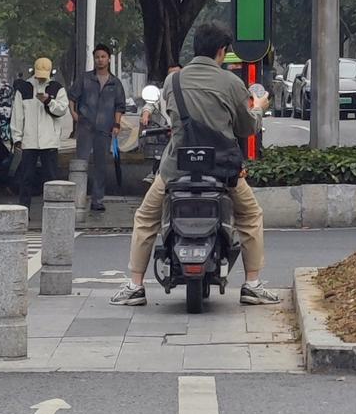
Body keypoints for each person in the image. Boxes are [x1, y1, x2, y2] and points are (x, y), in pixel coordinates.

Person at [112, 19, 279, 306]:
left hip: (176, 168)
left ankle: (135, 286)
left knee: (146, 218)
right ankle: (252, 284)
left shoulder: (172, 81)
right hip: (222, 171)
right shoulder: (232, 83)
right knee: (251, 216)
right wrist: (260, 109)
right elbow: (246, 128)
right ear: (221, 52)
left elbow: (169, 115)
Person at [69, 43, 127, 213]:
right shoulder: (85, 78)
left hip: (105, 128)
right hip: (86, 126)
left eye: (103, 57)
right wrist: (73, 114)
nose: (100, 60)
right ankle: (77, 198)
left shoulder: (115, 83)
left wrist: (116, 124)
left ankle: (97, 200)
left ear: (108, 59)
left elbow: (119, 106)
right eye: (97, 57)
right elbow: (72, 96)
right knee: (81, 163)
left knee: (101, 166)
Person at [11, 59, 69, 200]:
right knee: (26, 178)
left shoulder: (57, 88)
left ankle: (54, 208)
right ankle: (24, 208)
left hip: (49, 141)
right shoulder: (24, 88)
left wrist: (49, 101)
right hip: (29, 141)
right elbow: (17, 115)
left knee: (52, 178)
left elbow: (62, 109)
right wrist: (17, 138)